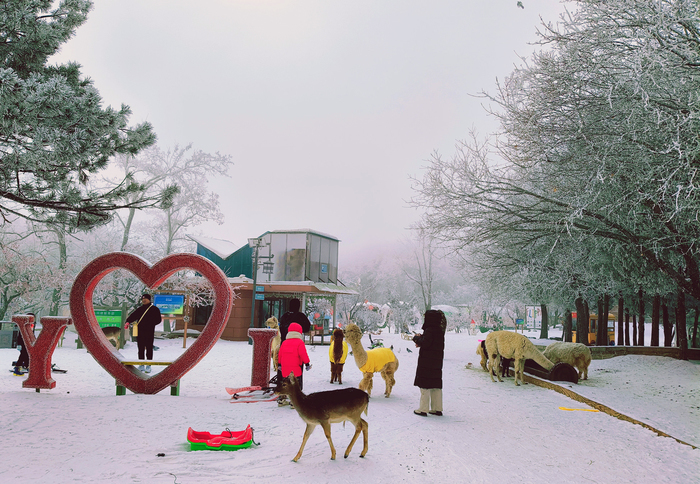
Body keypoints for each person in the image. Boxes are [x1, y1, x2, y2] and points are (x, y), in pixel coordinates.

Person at [412, 309, 447, 417]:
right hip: (436, 362)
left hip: (427, 361)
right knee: (435, 384)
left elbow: (426, 343)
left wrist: (417, 338)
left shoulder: (430, 330)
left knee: (425, 384)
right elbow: (432, 343)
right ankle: (437, 408)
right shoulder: (439, 330)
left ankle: (423, 409)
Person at [275, 298, 311, 391]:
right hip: (297, 347)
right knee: (297, 371)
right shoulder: (300, 316)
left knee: (283, 370)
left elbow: (280, 327)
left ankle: (282, 389)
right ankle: (296, 392)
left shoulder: (284, 316)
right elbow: (307, 327)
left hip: (284, 344)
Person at [126, 294, 162, 373]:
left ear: (149, 300)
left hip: (149, 331)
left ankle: (149, 365)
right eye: (142, 299)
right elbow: (133, 315)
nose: (144, 300)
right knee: (140, 348)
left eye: (145, 299)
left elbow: (158, 319)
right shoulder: (140, 309)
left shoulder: (154, 309)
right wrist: (128, 322)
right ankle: (141, 364)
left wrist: (150, 324)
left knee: (149, 348)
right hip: (140, 331)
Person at [277, 322, 311, 405]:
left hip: (285, 369)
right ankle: (293, 402)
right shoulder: (299, 342)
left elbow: (280, 355)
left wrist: (279, 365)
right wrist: (307, 364)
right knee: (295, 385)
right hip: (295, 369)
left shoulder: (284, 342)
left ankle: (282, 399)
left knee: (285, 384)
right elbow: (303, 354)